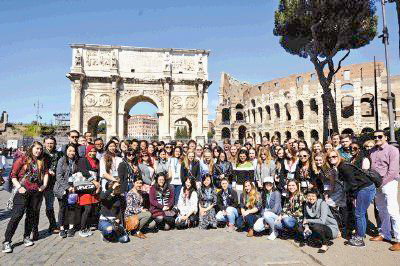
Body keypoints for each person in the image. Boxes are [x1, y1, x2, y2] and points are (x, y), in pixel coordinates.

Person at [2, 142, 49, 253]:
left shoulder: (41, 160)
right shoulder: (22, 159)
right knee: (17, 216)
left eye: (40, 149)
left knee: (31, 215)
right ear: (32, 148)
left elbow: (46, 172)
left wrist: (44, 185)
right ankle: (7, 241)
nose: (39, 151)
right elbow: (13, 175)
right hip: (22, 191)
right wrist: (19, 187)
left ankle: (26, 236)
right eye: (37, 148)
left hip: (36, 192)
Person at [336, 151, 376, 247]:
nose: (331, 159)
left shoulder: (343, 166)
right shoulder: (341, 166)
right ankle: (360, 234)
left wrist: (352, 196)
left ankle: (360, 239)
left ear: (338, 156)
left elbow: (352, 183)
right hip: (365, 187)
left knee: (359, 213)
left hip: (364, 188)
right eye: (329, 157)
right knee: (360, 213)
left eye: (334, 156)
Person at [369, 130, 400, 251]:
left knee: (392, 210)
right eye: (375, 137)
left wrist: (382, 182)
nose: (377, 138)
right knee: (381, 209)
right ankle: (384, 234)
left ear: (385, 137)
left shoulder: (393, 150)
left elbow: (393, 170)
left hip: (389, 182)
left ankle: (398, 239)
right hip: (377, 183)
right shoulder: (372, 151)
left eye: (380, 136)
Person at [53, 144, 79, 238]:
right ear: (66, 151)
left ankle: (71, 228)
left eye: (73, 151)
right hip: (62, 188)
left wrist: (75, 186)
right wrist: (68, 187)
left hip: (73, 188)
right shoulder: (61, 160)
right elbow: (58, 176)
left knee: (72, 208)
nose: (71, 153)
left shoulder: (76, 161)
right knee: (62, 208)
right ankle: (62, 228)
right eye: (70, 150)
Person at [302, 189, 339, 253]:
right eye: (309, 196)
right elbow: (305, 218)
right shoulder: (306, 205)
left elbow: (322, 221)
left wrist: (308, 220)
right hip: (316, 225)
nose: (311, 198)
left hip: (330, 228)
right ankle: (315, 239)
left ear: (316, 197)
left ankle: (325, 244)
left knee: (316, 226)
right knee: (300, 226)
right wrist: (306, 228)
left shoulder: (322, 203)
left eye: (313, 196)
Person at [76, 144, 101, 238]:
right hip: (85, 188)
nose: (92, 153)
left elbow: (98, 174)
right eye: (91, 151)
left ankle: (86, 227)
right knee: (87, 209)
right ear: (87, 151)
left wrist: (97, 185)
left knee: (91, 209)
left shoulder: (97, 161)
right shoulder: (83, 160)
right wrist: (94, 181)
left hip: (93, 188)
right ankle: (82, 229)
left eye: (94, 151)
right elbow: (83, 171)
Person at [42, 136, 63, 234]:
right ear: (44, 143)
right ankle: (51, 225)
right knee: (43, 206)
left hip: (55, 183)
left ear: (54, 144)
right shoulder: (41, 153)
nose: (50, 145)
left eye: (52, 143)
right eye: (48, 143)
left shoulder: (59, 154)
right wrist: (47, 170)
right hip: (43, 184)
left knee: (55, 205)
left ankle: (57, 224)